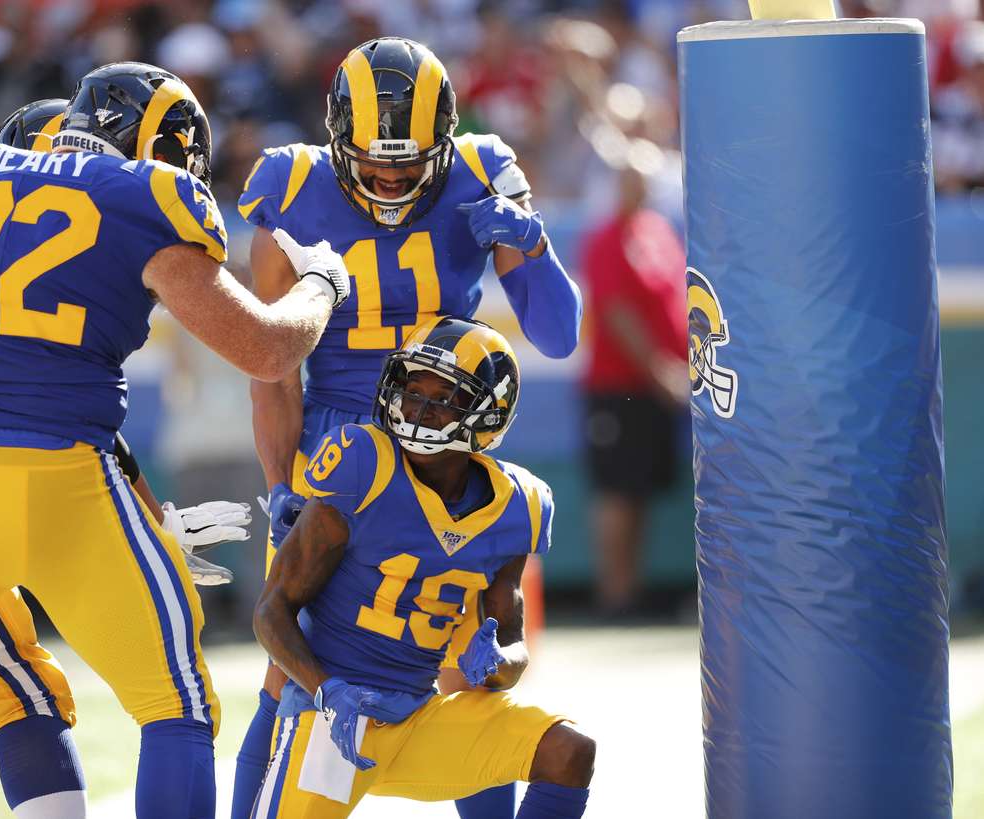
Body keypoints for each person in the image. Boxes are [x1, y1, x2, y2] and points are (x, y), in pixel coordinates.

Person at [0, 61, 349, 819]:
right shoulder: (151, 196)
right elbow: (270, 351)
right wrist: (322, 285)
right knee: (176, 705)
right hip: (62, 482)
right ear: (155, 144)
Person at [235, 36, 583, 819]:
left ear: (444, 141)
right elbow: (273, 372)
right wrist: (281, 484)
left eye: (408, 164)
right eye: (375, 164)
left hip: (447, 445)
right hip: (340, 443)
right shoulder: (290, 186)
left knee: (467, 670)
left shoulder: (483, 171)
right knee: (289, 671)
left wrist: (532, 242)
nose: (391, 179)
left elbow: (558, 335)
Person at [251, 316, 595, 818]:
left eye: (445, 397)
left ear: (487, 412)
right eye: (413, 391)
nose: (421, 409)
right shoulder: (363, 462)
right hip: (333, 720)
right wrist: (327, 689)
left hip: (418, 716)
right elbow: (271, 611)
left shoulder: (518, 505)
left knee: (568, 750)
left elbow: (513, 646)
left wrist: (497, 666)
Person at [579, 163, 687, 618]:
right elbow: (617, 311)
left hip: (656, 385)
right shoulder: (606, 237)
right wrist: (659, 370)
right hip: (618, 385)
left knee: (640, 490)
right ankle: (615, 597)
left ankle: (631, 591)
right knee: (618, 492)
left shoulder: (657, 230)